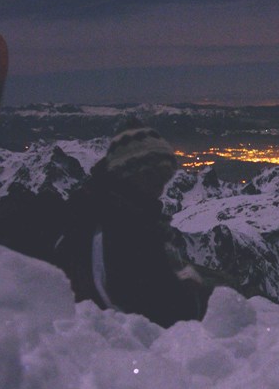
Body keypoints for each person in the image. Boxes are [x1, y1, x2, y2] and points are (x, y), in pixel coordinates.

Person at [52, 125, 211, 328]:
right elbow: (155, 313)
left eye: (164, 176)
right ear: (127, 174)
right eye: (151, 175)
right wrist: (190, 290)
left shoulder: (117, 214)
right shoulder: (116, 227)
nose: (160, 186)